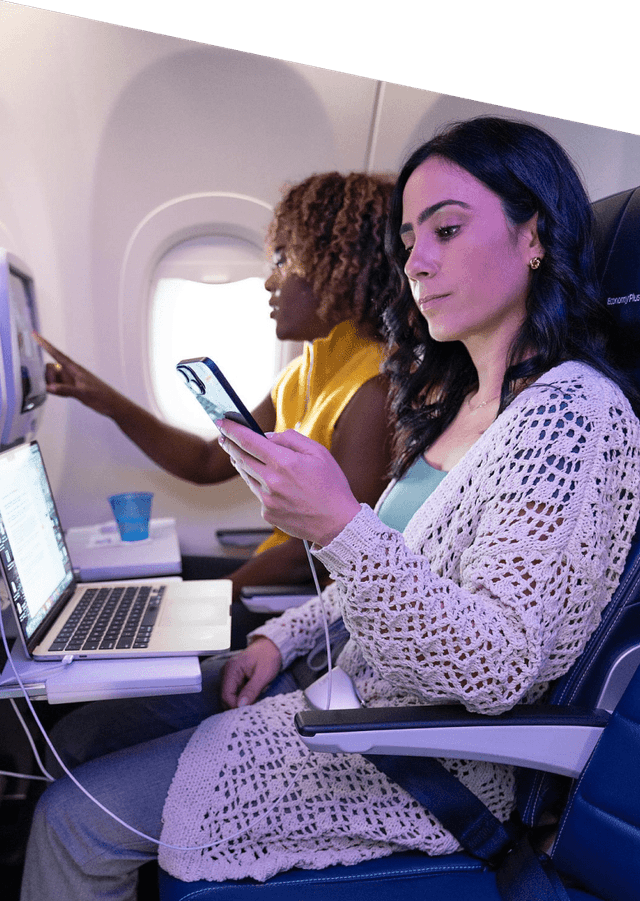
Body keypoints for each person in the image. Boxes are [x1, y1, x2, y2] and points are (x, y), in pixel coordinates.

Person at [20, 116, 640, 900]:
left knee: (72, 823)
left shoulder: (571, 414)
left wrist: (337, 525)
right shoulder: (462, 403)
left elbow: (499, 664)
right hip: (353, 697)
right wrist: (280, 637)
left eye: (447, 229)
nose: (416, 261)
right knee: (88, 741)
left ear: (534, 237)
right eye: (408, 239)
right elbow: (397, 574)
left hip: (423, 757)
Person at [37, 170, 394, 621]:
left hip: (308, 607)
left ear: (339, 267)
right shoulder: (300, 374)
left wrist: (207, 599)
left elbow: (323, 551)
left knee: (151, 612)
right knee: (115, 594)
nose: (270, 282)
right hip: (272, 574)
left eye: (284, 261)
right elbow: (207, 462)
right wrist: (105, 400)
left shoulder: (374, 387)